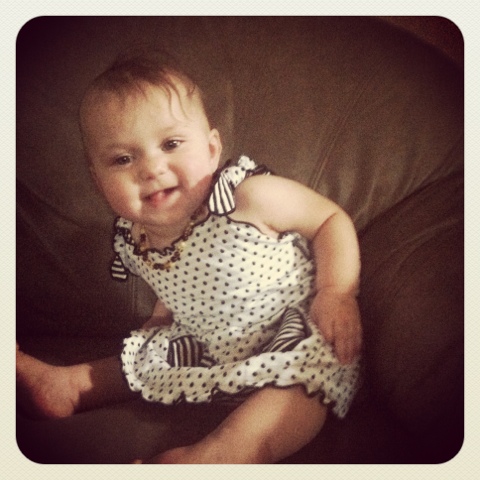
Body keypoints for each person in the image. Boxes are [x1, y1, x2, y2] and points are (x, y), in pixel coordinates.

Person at [16, 50, 363, 464]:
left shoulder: (247, 198)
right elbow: (173, 279)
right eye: (123, 159)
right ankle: (70, 386)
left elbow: (329, 219)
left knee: (307, 375)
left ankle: (227, 452)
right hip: (210, 343)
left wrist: (336, 291)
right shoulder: (133, 236)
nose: (151, 168)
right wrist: (160, 318)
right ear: (98, 180)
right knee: (148, 355)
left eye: (171, 144)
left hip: (292, 328)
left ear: (212, 149)